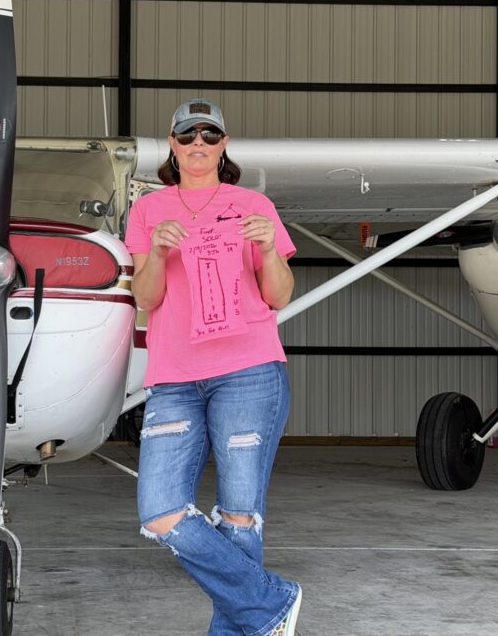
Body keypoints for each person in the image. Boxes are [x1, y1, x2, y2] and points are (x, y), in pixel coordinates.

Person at [125, 98, 302, 636]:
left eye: (209, 136)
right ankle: (272, 601)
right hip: (175, 377)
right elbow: (144, 299)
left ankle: (245, 627)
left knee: (240, 516)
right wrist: (156, 253)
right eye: (186, 136)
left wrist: (269, 250)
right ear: (172, 146)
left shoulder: (253, 205)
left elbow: (278, 297)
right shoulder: (148, 211)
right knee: (159, 510)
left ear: (223, 144)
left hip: (248, 369)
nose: (197, 145)